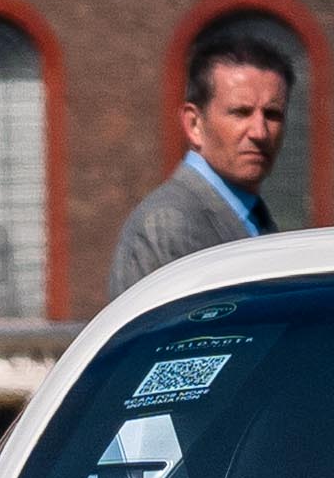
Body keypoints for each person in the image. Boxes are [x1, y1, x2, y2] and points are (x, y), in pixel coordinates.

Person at [109, 32, 292, 300]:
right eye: (240, 112)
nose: (260, 132)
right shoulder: (170, 224)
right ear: (194, 124)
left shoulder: (254, 217)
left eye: (272, 114)